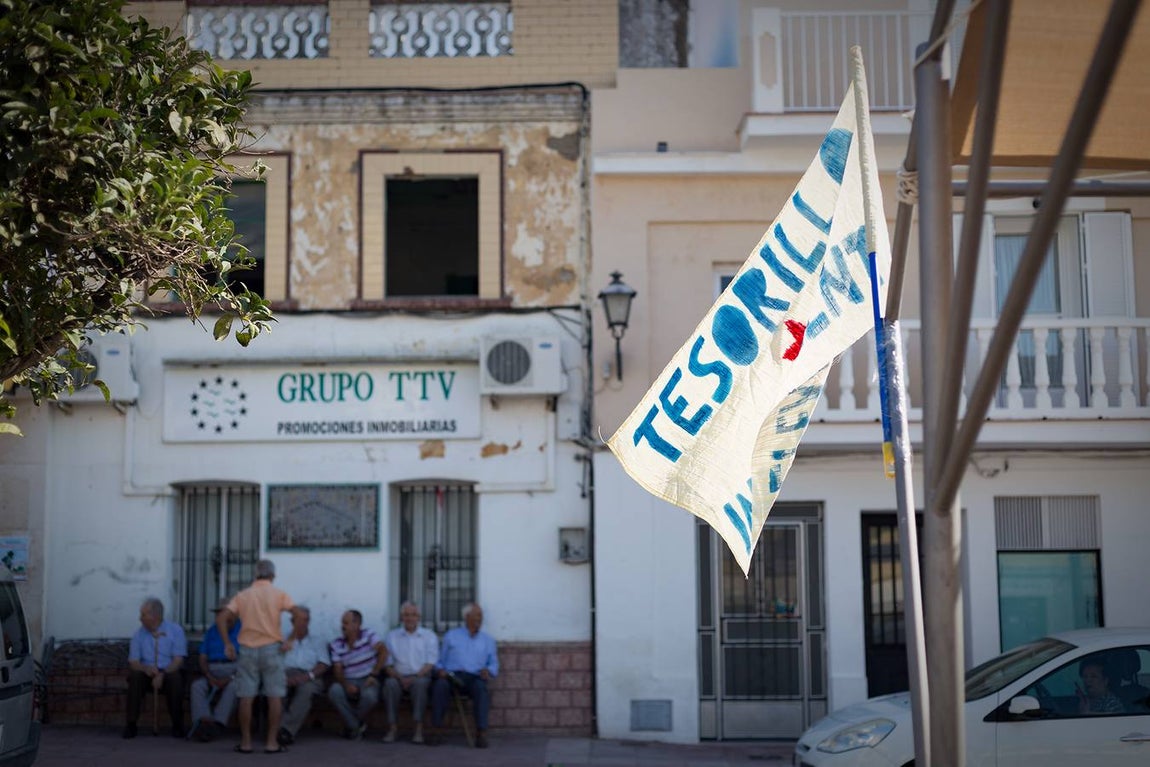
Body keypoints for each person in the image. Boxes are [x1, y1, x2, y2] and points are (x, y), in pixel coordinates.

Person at [219, 559, 295, 754]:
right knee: (274, 696)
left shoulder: (243, 595)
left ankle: (246, 743)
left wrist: (228, 643)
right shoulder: (279, 594)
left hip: (247, 650)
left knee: (246, 697)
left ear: (255, 574)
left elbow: (222, 617)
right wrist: (291, 639)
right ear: (273, 575)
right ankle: (271, 743)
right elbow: (300, 615)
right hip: (272, 649)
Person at [431, 602, 499, 748]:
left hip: (474, 677)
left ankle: (481, 733)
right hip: (452, 676)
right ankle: (436, 730)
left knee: (481, 689)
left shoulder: (488, 640)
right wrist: (440, 670)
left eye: (481, 616)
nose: (480, 619)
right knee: (439, 686)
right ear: (467, 617)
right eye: (477, 615)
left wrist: (488, 670)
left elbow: (494, 664)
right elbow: (439, 661)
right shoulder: (451, 636)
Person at [124, 597, 187, 739]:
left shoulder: (175, 630)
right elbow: (133, 661)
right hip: (147, 674)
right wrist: (146, 669)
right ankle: (131, 724)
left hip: (168, 672)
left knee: (176, 679)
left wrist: (162, 674)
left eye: (143, 615)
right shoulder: (139, 634)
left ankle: (178, 725)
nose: (140, 618)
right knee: (135, 676)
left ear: (155, 616)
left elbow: (178, 660)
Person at [381, 601, 439, 744]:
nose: (410, 618)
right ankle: (392, 728)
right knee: (389, 685)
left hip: (420, 676)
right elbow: (387, 665)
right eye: (406, 615)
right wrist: (400, 678)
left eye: (413, 615)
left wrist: (414, 678)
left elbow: (430, 663)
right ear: (401, 617)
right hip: (397, 676)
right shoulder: (392, 636)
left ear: (419, 617)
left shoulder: (429, 636)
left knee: (420, 685)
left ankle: (418, 729)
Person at [327, 609, 387, 740]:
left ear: (357, 624)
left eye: (346, 623)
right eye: (342, 622)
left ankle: (351, 727)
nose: (342, 626)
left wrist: (374, 675)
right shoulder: (336, 644)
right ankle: (356, 725)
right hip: (348, 679)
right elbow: (338, 669)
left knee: (370, 696)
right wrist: (346, 684)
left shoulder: (369, 635)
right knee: (334, 691)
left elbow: (383, 652)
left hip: (368, 678)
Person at [276, 606, 330, 747]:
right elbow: (275, 663)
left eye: (306, 620)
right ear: (292, 621)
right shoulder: (282, 639)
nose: (303, 623)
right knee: (275, 686)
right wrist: (283, 677)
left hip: (311, 675)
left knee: (307, 690)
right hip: (286, 673)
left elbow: (323, 664)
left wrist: (307, 676)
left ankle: (285, 730)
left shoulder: (317, 640)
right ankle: (279, 730)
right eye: (300, 620)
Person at [189, 600, 241, 742]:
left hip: (235, 670)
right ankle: (204, 722)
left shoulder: (244, 630)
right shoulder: (212, 631)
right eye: (219, 614)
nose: (221, 617)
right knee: (197, 686)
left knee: (234, 687)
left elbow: (248, 661)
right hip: (212, 670)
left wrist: (230, 677)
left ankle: (217, 724)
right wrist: (208, 675)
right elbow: (203, 657)